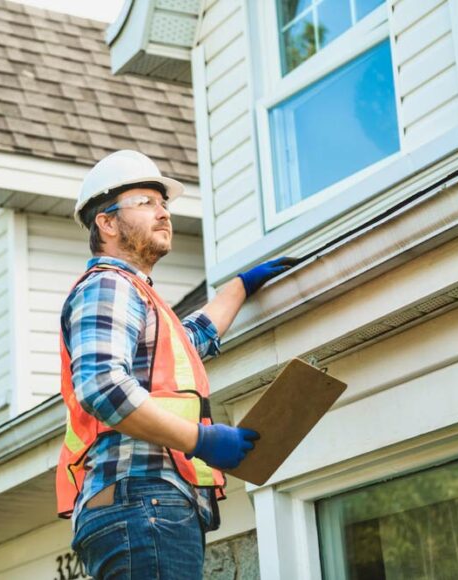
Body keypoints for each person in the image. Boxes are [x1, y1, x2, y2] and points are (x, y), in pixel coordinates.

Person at [56, 150, 298, 579]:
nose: (163, 213)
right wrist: (201, 440)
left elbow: (193, 339)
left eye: (164, 203)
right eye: (146, 202)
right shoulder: (109, 285)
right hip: (142, 502)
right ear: (107, 223)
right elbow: (103, 386)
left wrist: (240, 287)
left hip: (146, 507)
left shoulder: (141, 298)